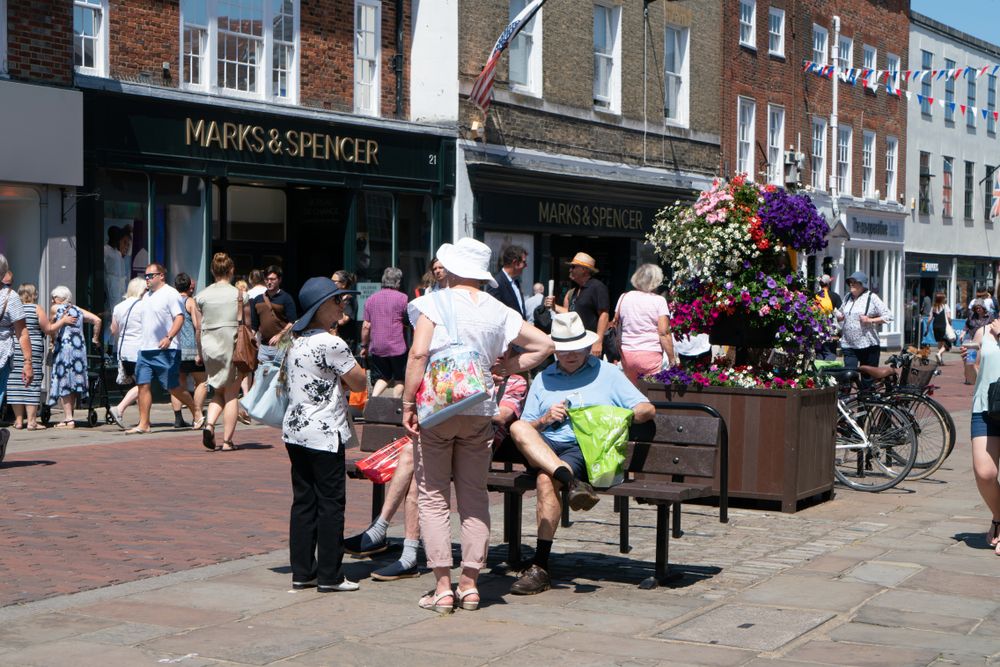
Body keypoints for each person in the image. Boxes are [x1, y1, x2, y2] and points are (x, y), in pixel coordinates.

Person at [402, 237, 552, 614]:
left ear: (452, 269)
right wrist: (508, 368)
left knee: (434, 497)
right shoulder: (498, 309)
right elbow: (546, 345)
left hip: (437, 409)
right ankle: (470, 585)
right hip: (479, 407)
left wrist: (407, 402)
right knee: (474, 497)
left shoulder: (432, 303)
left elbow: (419, 353)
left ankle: (442, 587)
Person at [506, 312, 656, 595]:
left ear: (587, 347)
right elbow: (528, 425)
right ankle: (573, 483)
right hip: (545, 446)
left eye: (576, 348)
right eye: (563, 349)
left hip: (582, 448)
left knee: (543, 480)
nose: (570, 354)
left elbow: (646, 409)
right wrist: (545, 419)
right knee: (519, 429)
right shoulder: (544, 378)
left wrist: (617, 415)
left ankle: (540, 565)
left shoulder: (608, 373)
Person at [345, 359, 528, 581]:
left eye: (502, 351)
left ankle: (384, 535)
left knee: (413, 458)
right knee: (416, 467)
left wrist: (461, 402)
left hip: (476, 451)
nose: (496, 356)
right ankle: (402, 551)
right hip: (445, 441)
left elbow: (502, 415)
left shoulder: (515, 381)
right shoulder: (466, 370)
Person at [283, 276, 367, 592]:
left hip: (296, 430)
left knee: (304, 502)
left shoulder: (295, 338)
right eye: (336, 301)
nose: (341, 305)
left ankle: (303, 571)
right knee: (330, 502)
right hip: (324, 431)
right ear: (321, 308)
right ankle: (330, 575)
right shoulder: (332, 343)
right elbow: (358, 382)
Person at [127, 264, 199, 435]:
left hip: (167, 350)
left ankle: (196, 411)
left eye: (150, 276)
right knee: (143, 385)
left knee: (172, 387)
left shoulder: (170, 294)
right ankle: (144, 424)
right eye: (145, 276)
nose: (147, 279)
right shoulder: (146, 296)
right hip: (145, 350)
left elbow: (179, 318)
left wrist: (169, 337)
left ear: (161, 276)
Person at [196, 253, 247, 452]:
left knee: (218, 390)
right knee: (232, 394)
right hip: (232, 345)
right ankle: (227, 441)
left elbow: (199, 328)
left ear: (212, 271)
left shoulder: (202, 296)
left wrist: (199, 352)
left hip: (210, 346)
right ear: (231, 270)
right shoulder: (239, 295)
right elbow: (247, 324)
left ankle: (209, 425)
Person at [961, 318, 1000, 557]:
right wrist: (967, 361)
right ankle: (998, 515)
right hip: (985, 407)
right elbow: (973, 377)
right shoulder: (984, 331)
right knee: (984, 472)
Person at [47, 286, 101, 428]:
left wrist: (53, 340)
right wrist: (95, 339)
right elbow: (97, 320)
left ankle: (69, 419)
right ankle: (68, 417)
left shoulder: (55, 308)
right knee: (72, 382)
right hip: (79, 350)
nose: (52, 300)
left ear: (62, 299)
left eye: (54, 297)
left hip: (64, 349)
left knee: (64, 380)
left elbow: (50, 327)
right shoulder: (77, 310)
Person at [615, 264, 674, 386]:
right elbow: (664, 333)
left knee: (631, 391)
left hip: (627, 353)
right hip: (650, 353)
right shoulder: (659, 301)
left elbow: (616, 324)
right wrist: (672, 358)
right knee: (652, 391)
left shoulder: (623, 297)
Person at [544, 252, 609, 358]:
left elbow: (604, 315)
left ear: (584, 270)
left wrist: (598, 342)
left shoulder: (597, 287)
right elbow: (571, 313)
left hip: (590, 343)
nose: (570, 270)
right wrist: (554, 306)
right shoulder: (575, 290)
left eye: (573, 267)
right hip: (576, 343)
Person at [361, 267, 410, 398]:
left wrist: (364, 346)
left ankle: (373, 399)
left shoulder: (371, 299)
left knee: (383, 376)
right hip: (397, 347)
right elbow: (408, 321)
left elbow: (366, 326)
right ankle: (394, 407)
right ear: (398, 282)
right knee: (400, 378)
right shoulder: (403, 298)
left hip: (377, 346)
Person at [836, 271, 892, 380]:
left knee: (867, 380)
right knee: (848, 376)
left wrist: (870, 320)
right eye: (850, 282)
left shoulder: (872, 297)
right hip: (849, 344)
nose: (851, 284)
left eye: (854, 282)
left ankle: (865, 396)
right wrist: (840, 317)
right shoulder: (847, 297)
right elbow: (841, 312)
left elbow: (889, 316)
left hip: (868, 346)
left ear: (862, 284)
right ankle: (848, 396)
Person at [109, 277, 147, 429]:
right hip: (140, 349)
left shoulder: (119, 307)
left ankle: (143, 419)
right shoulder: (144, 306)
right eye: (146, 289)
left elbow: (113, 330)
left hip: (124, 351)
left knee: (141, 383)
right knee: (144, 384)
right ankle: (120, 408)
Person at [171, 273, 207, 429]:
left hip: (175, 348)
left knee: (179, 383)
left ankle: (178, 418)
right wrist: (201, 349)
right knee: (202, 381)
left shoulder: (171, 301)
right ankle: (197, 413)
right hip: (191, 348)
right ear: (189, 287)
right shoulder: (190, 301)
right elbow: (197, 326)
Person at [8, 284, 44, 430]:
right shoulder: (36, 308)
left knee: (15, 383)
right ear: (34, 294)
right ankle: (31, 421)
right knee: (31, 383)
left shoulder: (14, 308)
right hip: (32, 348)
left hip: (15, 347)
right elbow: (46, 328)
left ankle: (18, 421)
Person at [250, 265, 297, 365]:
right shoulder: (257, 299)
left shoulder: (286, 298)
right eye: (267, 279)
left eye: (272, 279)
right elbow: (254, 325)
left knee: (280, 378)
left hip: (282, 346)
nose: (269, 282)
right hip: (264, 347)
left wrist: (280, 335)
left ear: (279, 280)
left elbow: (292, 322)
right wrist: (248, 339)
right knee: (261, 378)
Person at [486, 245, 529, 319]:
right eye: (524, 262)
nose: (526, 265)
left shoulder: (516, 282)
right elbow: (494, 313)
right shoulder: (496, 283)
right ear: (515, 262)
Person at [815, 275, 842, 360]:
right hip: (830, 330)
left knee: (819, 354)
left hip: (817, 329)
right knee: (830, 352)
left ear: (820, 284)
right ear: (829, 284)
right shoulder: (835, 296)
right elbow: (841, 313)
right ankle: (828, 372)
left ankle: (819, 372)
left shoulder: (815, 296)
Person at [331, 270, 359, 353]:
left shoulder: (349, 300)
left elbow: (342, 321)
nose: (331, 284)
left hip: (345, 344)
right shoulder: (334, 299)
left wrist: (340, 304)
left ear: (343, 284)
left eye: (334, 281)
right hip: (333, 342)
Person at [930, 292, 953, 365]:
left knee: (940, 342)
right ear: (942, 299)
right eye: (944, 297)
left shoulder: (933, 307)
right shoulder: (945, 306)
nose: (945, 299)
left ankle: (940, 360)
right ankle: (939, 353)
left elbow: (930, 318)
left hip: (935, 326)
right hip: (943, 326)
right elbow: (949, 317)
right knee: (948, 343)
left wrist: (927, 328)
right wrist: (950, 324)